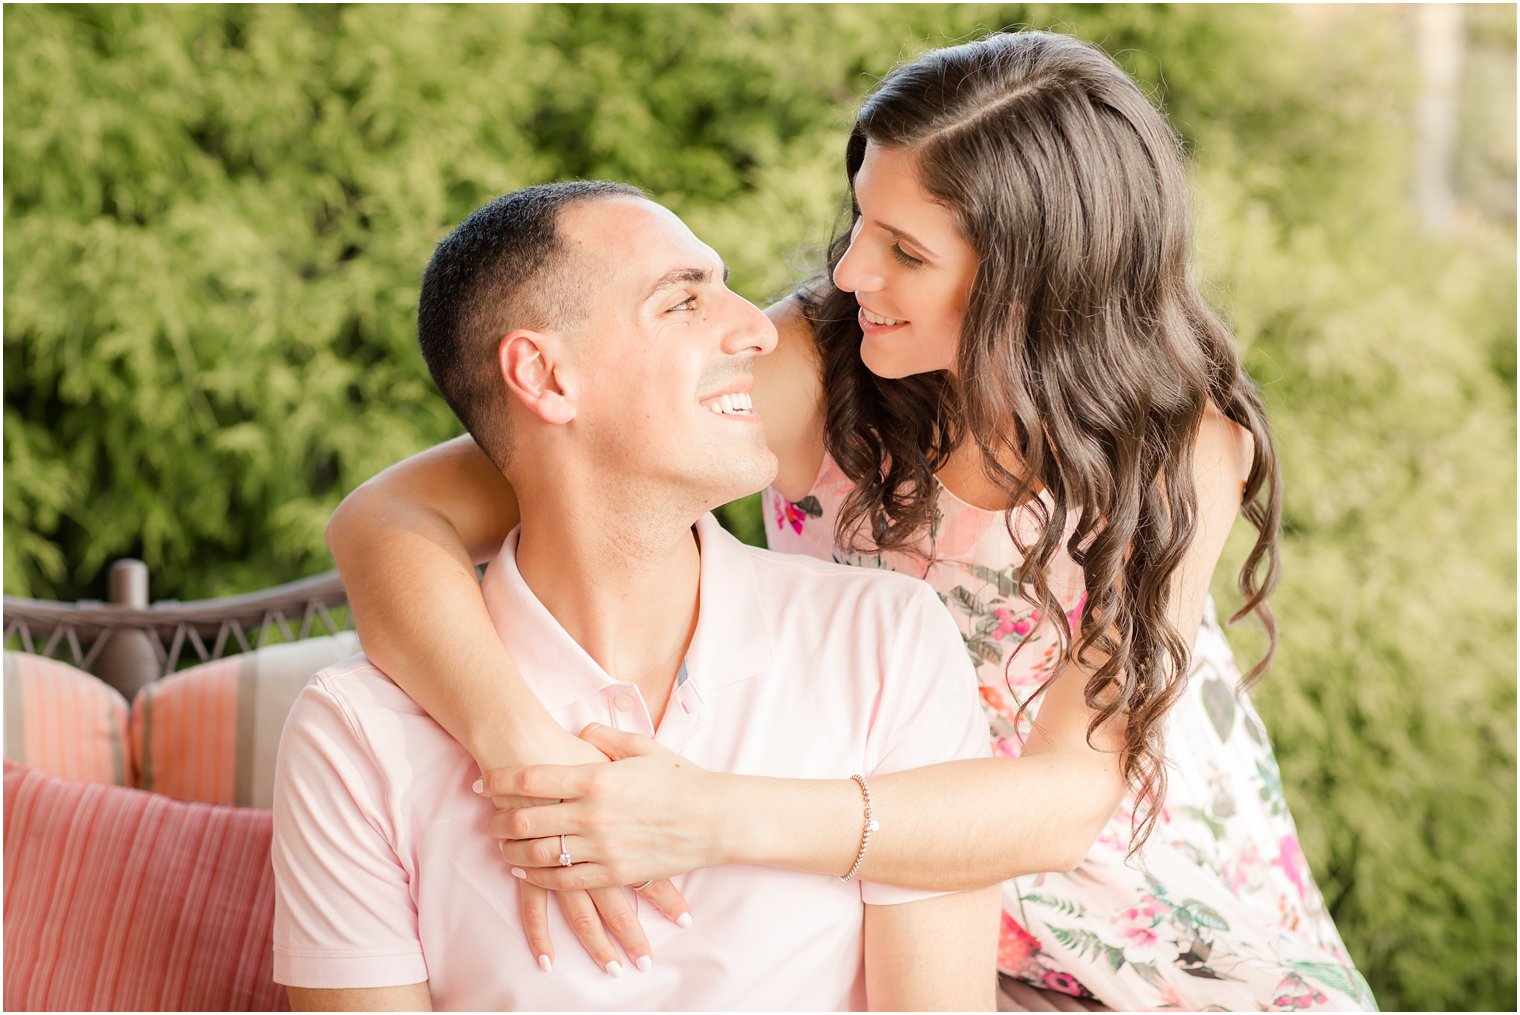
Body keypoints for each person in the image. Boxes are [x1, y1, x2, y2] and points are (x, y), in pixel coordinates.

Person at [325, 31, 1376, 1012]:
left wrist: (708, 814)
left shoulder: (1176, 442)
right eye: (861, 220)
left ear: (1033, 280)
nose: (846, 273)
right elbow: (387, 519)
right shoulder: (817, 367)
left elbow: (1066, 799)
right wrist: (517, 747)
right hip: (882, 890)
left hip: (1133, 895)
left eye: (905, 252)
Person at [271, 181, 999, 1012]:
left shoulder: (885, 643)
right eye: (684, 301)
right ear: (543, 375)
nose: (759, 328)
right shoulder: (358, 735)